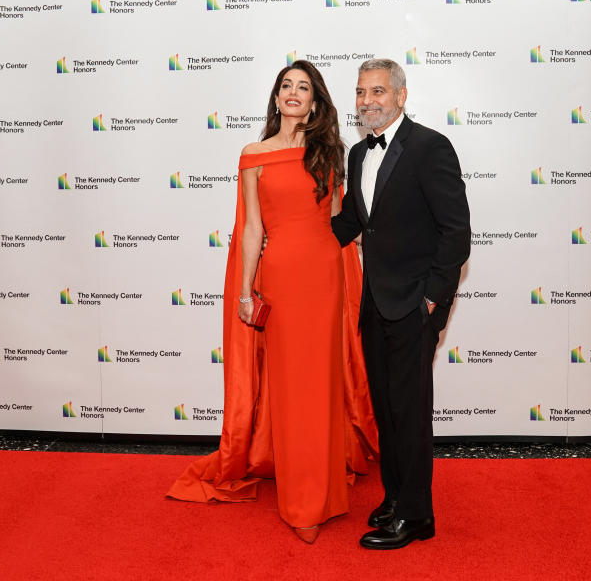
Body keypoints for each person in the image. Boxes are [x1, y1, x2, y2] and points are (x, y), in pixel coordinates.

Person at [167, 61, 378, 544]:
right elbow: (252, 229)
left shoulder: (329, 152)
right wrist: (245, 291)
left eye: (304, 87)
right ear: (276, 96)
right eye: (287, 86)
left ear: (316, 101)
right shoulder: (253, 153)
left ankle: (326, 495)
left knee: (321, 386)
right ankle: (302, 501)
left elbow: (343, 221)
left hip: (323, 274)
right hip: (280, 277)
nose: (293, 93)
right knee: (290, 388)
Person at [331, 58, 471, 550]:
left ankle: (417, 517)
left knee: (411, 412)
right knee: (387, 410)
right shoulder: (357, 154)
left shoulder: (430, 146)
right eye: (361, 93)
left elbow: (456, 231)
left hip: (414, 303)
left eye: (378, 92)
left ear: (401, 95)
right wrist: (288, 237)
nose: (368, 101)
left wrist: (434, 298)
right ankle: (395, 498)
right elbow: (351, 222)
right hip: (375, 303)